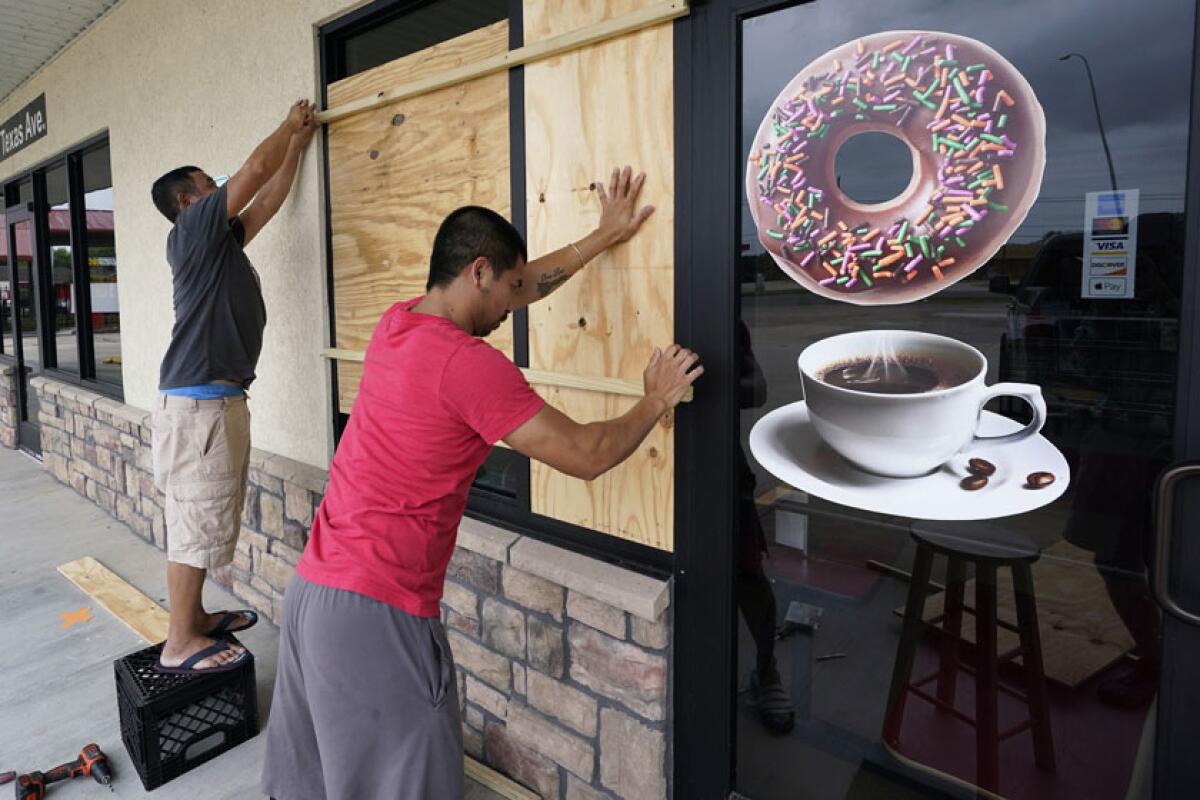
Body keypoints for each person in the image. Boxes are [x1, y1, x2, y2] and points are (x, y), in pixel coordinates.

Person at [261, 167, 701, 800]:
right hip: (376, 616)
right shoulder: (470, 367)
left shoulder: (397, 325)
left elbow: (524, 283)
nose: (511, 308)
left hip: (315, 594)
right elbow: (586, 452)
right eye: (506, 289)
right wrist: (653, 400)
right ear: (478, 272)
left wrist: (602, 236)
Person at [149, 100, 319, 674]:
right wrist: (286, 126)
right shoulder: (194, 230)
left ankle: (193, 622)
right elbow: (251, 175)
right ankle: (180, 642)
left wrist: (295, 148)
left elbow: (266, 200)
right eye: (208, 184)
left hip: (207, 403)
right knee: (195, 522)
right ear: (189, 201)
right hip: (202, 407)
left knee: (197, 515)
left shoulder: (218, 244)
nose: (220, 186)